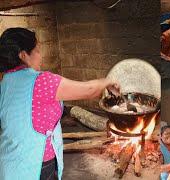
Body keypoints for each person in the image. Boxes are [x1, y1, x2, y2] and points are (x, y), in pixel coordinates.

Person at [0, 28, 120, 180]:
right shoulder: (42, 81)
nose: (40, 56)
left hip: (9, 164)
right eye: (37, 51)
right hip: (36, 167)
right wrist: (108, 81)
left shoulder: (5, 82)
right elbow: (88, 90)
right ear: (23, 55)